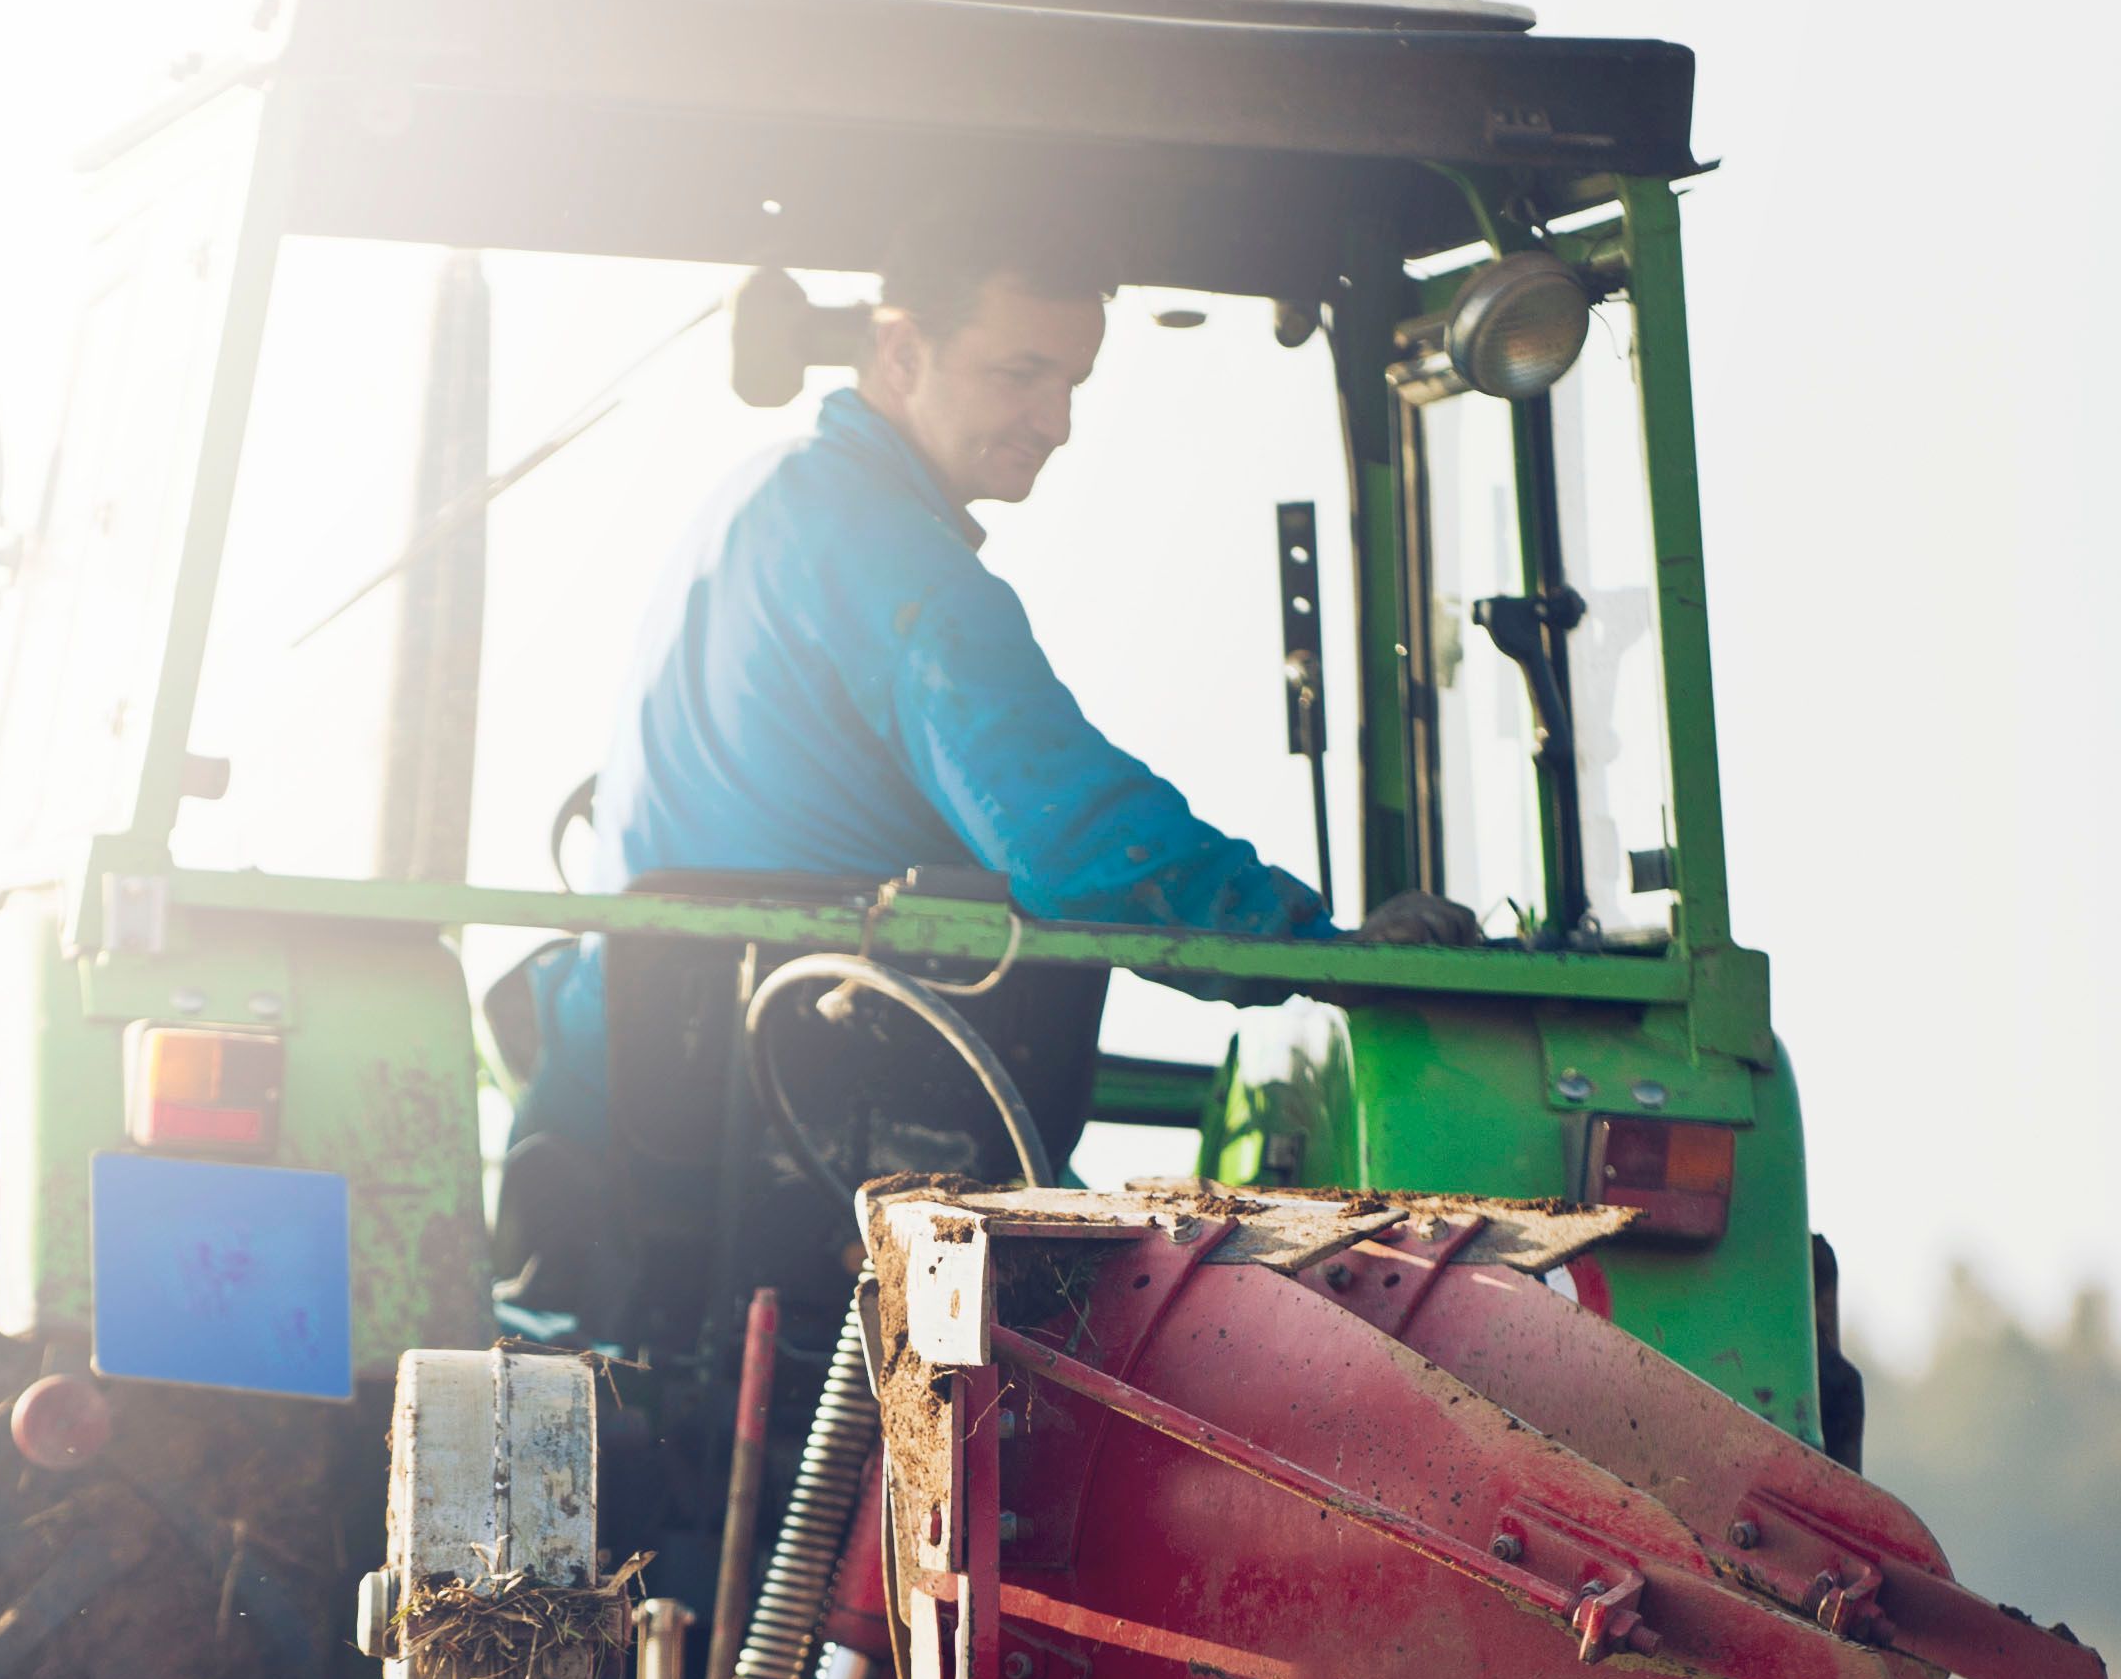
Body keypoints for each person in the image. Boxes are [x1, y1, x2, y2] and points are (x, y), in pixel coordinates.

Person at [512, 215, 1474, 1154]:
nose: (1056, 424)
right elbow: (1070, 840)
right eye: (1020, 375)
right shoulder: (897, 564)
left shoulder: (769, 499)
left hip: (622, 1108)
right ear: (902, 354)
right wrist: (1321, 951)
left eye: (1072, 383)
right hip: (771, 1135)